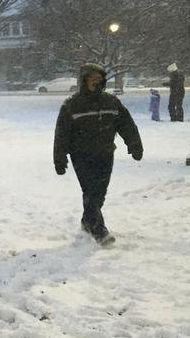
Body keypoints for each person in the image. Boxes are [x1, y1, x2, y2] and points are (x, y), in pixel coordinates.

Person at [54, 63, 142, 245]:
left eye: (98, 79)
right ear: (84, 80)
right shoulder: (72, 105)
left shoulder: (111, 102)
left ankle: (88, 221)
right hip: (81, 155)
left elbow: (126, 124)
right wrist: (59, 158)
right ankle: (99, 230)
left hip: (105, 153)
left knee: (100, 193)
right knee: (91, 191)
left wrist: (134, 145)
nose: (95, 82)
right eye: (91, 79)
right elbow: (61, 134)